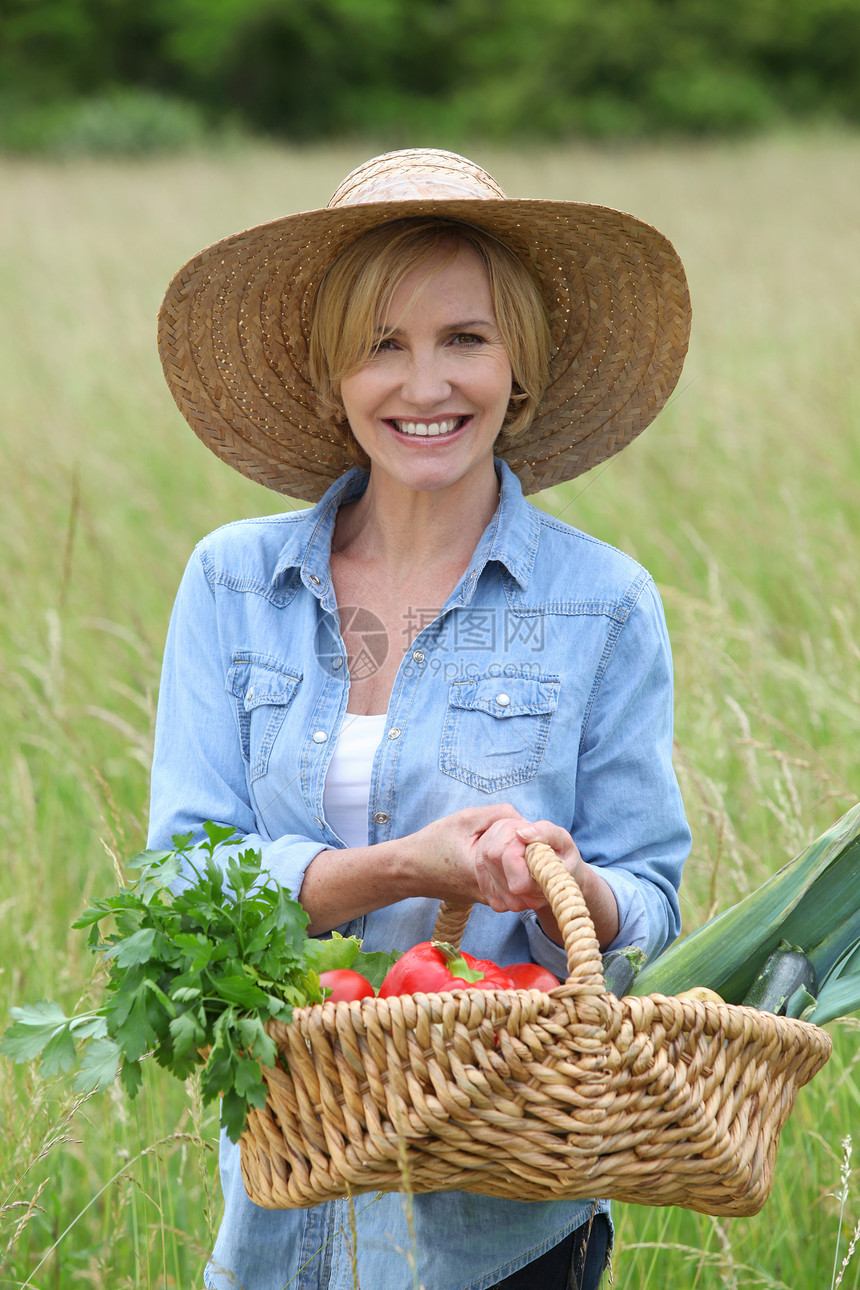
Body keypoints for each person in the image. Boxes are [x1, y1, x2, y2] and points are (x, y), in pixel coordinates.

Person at [151, 148, 692, 1290]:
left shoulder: (601, 602)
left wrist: (569, 885)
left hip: (507, 1221)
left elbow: (647, 902)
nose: (425, 386)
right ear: (332, 376)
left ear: (520, 364)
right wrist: (401, 864)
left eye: (465, 339)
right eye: (381, 345)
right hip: (284, 1203)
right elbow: (178, 883)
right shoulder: (232, 583)